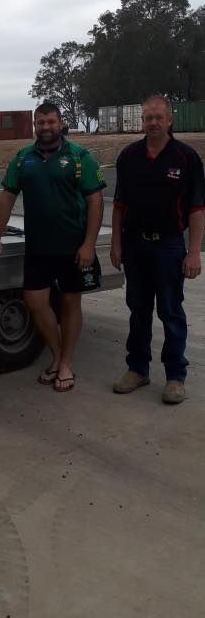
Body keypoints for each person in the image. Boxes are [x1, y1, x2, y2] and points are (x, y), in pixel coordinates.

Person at [0, 102, 105, 391]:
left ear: (61, 123)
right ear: (35, 125)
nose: (46, 127)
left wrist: (89, 244)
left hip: (72, 246)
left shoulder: (79, 157)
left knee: (69, 303)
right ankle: (56, 353)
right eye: (41, 122)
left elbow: (95, 201)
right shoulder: (23, 158)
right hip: (37, 246)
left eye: (51, 122)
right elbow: (6, 198)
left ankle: (64, 363)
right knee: (36, 304)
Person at [111, 95, 205, 404]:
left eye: (158, 118)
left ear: (169, 120)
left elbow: (196, 209)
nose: (153, 123)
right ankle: (137, 369)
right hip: (135, 245)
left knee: (170, 311)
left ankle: (175, 376)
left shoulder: (186, 158)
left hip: (169, 246)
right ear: (142, 121)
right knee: (138, 310)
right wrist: (116, 243)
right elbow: (119, 204)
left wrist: (193, 252)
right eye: (148, 118)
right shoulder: (129, 157)